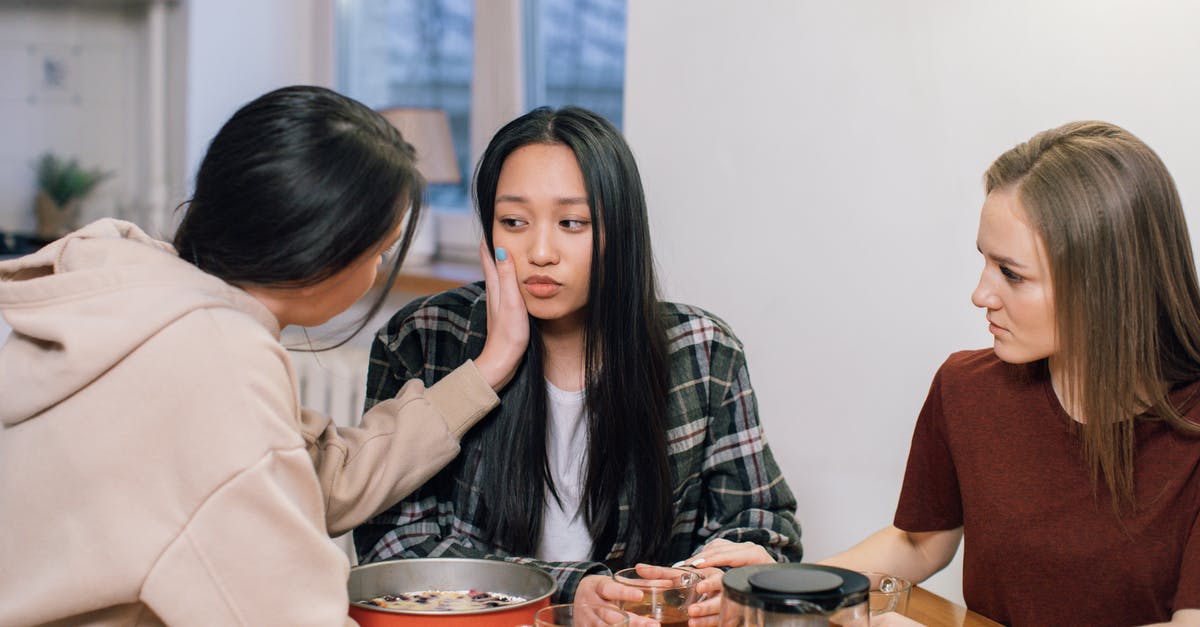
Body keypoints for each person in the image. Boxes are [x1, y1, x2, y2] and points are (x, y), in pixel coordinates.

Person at [0, 85, 528, 626]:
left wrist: (487, 367)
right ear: (320, 253)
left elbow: (311, 477)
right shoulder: (215, 365)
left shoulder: (142, 300)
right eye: (381, 252)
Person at [352, 106, 802, 625]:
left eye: (573, 223)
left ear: (621, 231)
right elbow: (392, 545)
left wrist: (723, 576)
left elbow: (763, 524)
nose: (540, 252)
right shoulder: (425, 338)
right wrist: (571, 592)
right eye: (513, 222)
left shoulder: (704, 350)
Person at [820, 121, 1200, 627]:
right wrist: (781, 583)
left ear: (1106, 285)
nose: (981, 295)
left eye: (1012, 274)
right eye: (985, 262)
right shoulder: (966, 388)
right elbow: (917, 542)